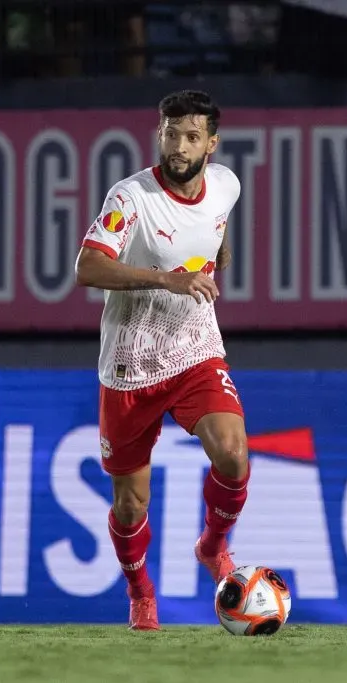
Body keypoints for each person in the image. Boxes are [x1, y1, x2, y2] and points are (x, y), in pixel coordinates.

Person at [74, 90, 248, 631]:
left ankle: (212, 547)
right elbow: (88, 267)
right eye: (171, 133)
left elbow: (216, 228)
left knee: (234, 454)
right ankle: (140, 591)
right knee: (131, 505)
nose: (178, 145)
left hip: (194, 347)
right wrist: (167, 279)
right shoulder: (131, 199)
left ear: (211, 144)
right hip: (130, 363)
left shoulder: (226, 185)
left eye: (191, 136)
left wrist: (219, 256)